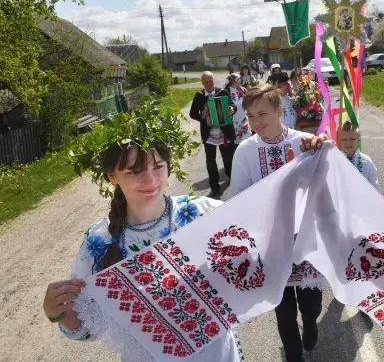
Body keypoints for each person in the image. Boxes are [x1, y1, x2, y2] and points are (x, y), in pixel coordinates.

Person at [42, 105, 243, 362]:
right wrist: (57, 312)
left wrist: (309, 158)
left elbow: (268, 224)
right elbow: (87, 330)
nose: (150, 181)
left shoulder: (201, 213)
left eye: (158, 166)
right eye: (135, 171)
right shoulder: (99, 241)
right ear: (112, 176)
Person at [229, 84, 328, 362]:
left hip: (304, 238)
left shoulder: (304, 142)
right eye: (250, 116)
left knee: (311, 304)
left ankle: (309, 322)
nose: (257, 122)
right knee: (282, 309)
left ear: (279, 110)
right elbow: (238, 196)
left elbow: (324, 182)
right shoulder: (245, 152)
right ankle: (294, 357)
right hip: (269, 243)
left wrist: (324, 147)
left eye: (262, 113)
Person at [190, 71, 237, 198]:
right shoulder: (199, 96)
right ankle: (215, 187)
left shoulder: (222, 92)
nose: (209, 84)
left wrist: (232, 109)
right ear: (202, 83)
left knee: (228, 159)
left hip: (224, 132)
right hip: (209, 134)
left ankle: (233, 181)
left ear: (214, 80)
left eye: (211, 81)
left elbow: (232, 105)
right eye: (206, 82)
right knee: (211, 161)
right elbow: (192, 113)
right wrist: (202, 116)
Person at [338, 121, 379, 190]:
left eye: (352, 139)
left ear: (358, 140)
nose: (348, 143)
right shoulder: (336, 160)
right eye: (344, 139)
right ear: (339, 141)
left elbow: (375, 186)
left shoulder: (366, 161)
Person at [225, 73, 252, 146]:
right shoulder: (226, 91)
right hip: (233, 120)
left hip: (243, 118)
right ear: (233, 81)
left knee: (246, 140)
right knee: (236, 142)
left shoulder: (242, 89)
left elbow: (249, 100)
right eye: (238, 79)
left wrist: (249, 91)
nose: (240, 80)